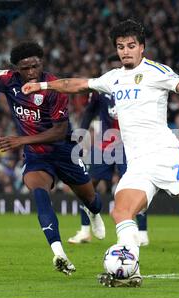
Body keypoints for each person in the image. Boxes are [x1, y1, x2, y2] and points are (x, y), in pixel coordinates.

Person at [22, 20, 179, 287]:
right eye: (121, 47)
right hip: (138, 164)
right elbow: (77, 84)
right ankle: (129, 268)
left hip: (167, 155)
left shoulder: (157, 71)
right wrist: (42, 86)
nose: (125, 51)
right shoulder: (113, 78)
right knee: (121, 212)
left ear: (142, 48)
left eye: (131, 46)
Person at [0, 41, 106, 275]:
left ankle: (92, 213)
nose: (32, 72)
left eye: (35, 65)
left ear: (41, 63)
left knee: (91, 199)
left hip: (64, 152)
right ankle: (58, 252)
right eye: (26, 68)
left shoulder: (54, 87)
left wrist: (20, 140)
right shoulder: (8, 80)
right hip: (37, 158)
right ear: (17, 68)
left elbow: (59, 132)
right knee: (39, 193)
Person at [68, 56, 149, 246]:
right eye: (111, 67)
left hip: (129, 145)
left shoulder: (138, 87)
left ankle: (142, 232)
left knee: (135, 187)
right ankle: (85, 230)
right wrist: (80, 134)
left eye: (118, 66)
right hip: (105, 143)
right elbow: (90, 111)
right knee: (87, 185)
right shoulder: (101, 88)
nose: (115, 70)